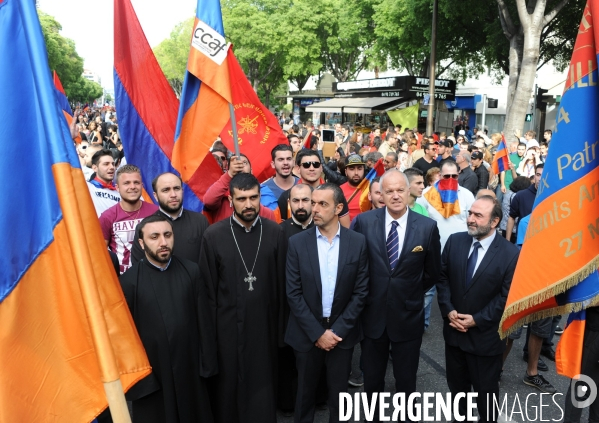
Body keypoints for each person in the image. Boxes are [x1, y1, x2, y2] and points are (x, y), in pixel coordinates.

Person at [352, 169, 441, 422]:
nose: (394, 196)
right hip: (372, 315)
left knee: (406, 379)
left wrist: (409, 292)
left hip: (408, 315)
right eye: (388, 191)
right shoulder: (365, 222)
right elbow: (358, 267)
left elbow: (432, 272)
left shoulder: (427, 227)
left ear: (408, 191)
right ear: (380, 194)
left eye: (399, 190)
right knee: (372, 380)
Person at [200, 173, 287, 423]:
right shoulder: (213, 236)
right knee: (230, 390)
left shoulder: (274, 232)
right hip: (227, 329)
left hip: (265, 328)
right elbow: (208, 291)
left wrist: (281, 332)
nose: (248, 204)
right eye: (241, 199)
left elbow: (282, 286)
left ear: (260, 197)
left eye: (253, 198)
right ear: (230, 199)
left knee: (263, 386)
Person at [120, 215, 216, 423]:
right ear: (141, 243)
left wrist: (207, 365)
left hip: (189, 368)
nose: (163, 243)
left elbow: (204, 322)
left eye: (167, 235)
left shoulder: (191, 271)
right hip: (154, 375)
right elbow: (126, 338)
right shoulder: (128, 282)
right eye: (154, 237)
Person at [286, 183, 369, 423]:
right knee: (304, 395)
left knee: (340, 397)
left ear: (338, 208)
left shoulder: (357, 242)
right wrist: (317, 333)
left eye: (323, 204)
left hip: (341, 335)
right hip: (306, 333)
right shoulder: (298, 243)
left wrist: (337, 331)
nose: (315, 209)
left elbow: (361, 292)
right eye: (313, 203)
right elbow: (293, 293)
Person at [437, 196, 519, 423]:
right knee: (457, 394)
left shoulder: (510, 254)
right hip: (454, 335)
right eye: (470, 213)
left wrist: (477, 320)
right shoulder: (454, 241)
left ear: (494, 222)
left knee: (486, 399)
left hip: (486, 340)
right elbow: (442, 279)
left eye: (478, 215)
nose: (471, 219)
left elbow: (506, 297)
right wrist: (448, 309)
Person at [504, 163, 557, 393]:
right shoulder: (527, 221)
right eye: (538, 175)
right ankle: (495, 369)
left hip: (549, 280)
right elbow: (524, 251)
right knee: (513, 329)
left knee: (540, 329)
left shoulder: (562, 214)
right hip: (527, 280)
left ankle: (532, 373)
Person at [131, 172, 209, 265]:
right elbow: (139, 265)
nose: (173, 194)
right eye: (166, 190)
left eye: (176, 188)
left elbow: (209, 260)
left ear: (182, 191)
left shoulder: (200, 221)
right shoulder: (146, 227)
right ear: (155, 196)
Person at [99, 165, 158, 274]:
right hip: (123, 279)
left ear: (142, 185)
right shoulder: (107, 217)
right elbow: (101, 254)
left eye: (136, 182)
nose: (132, 187)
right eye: (126, 183)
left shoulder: (156, 212)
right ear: (117, 188)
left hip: (153, 275)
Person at [278, 150, 351, 228]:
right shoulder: (286, 196)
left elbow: (345, 229)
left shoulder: (335, 193)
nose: (312, 168)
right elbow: (282, 228)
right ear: (298, 169)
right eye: (306, 165)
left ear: (321, 168)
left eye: (316, 165)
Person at [203, 154, 276, 223]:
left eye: (244, 163)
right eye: (235, 164)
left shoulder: (264, 194)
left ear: (251, 170)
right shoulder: (221, 192)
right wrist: (229, 175)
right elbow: (208, 201)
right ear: (230, 198)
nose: (239, 166)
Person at [87, 149, 121, 216]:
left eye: (113, 164)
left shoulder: (121, 190)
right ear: (95, 168)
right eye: (106, 164)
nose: (112, 167)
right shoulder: (87, 188)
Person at [499, 176, 531, 242]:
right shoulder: (517, 197)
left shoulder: (507, 194)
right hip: (512, 229)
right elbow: (515, 215)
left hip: (504, 225)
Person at [339, 154, 369, 220]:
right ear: (346, 172)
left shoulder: (370, 189)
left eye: (359, 168)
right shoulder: (339, 191)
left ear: (364, 170)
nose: (356, 173)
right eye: (352, 169)